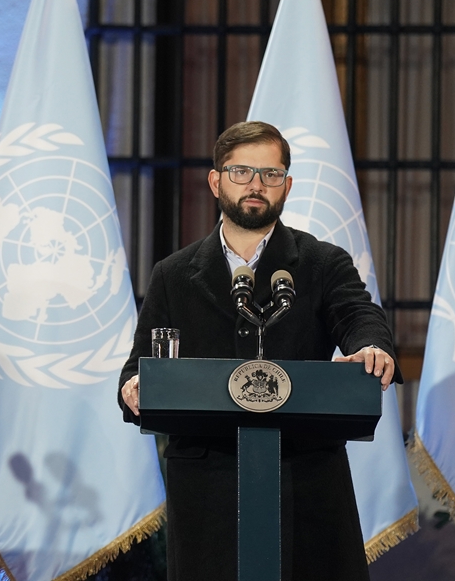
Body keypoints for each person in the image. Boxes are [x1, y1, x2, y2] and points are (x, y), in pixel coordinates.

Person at [117, 121, 401, 581]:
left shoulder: (322, 263)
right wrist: (134, 385)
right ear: (216, 181)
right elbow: (138, 366)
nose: (256, 185)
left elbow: (357, 316)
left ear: (286, 185)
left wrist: (370, 346)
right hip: (209, 493)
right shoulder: (173, 273)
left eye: (270, 175)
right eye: (242, 172)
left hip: (305, 483)